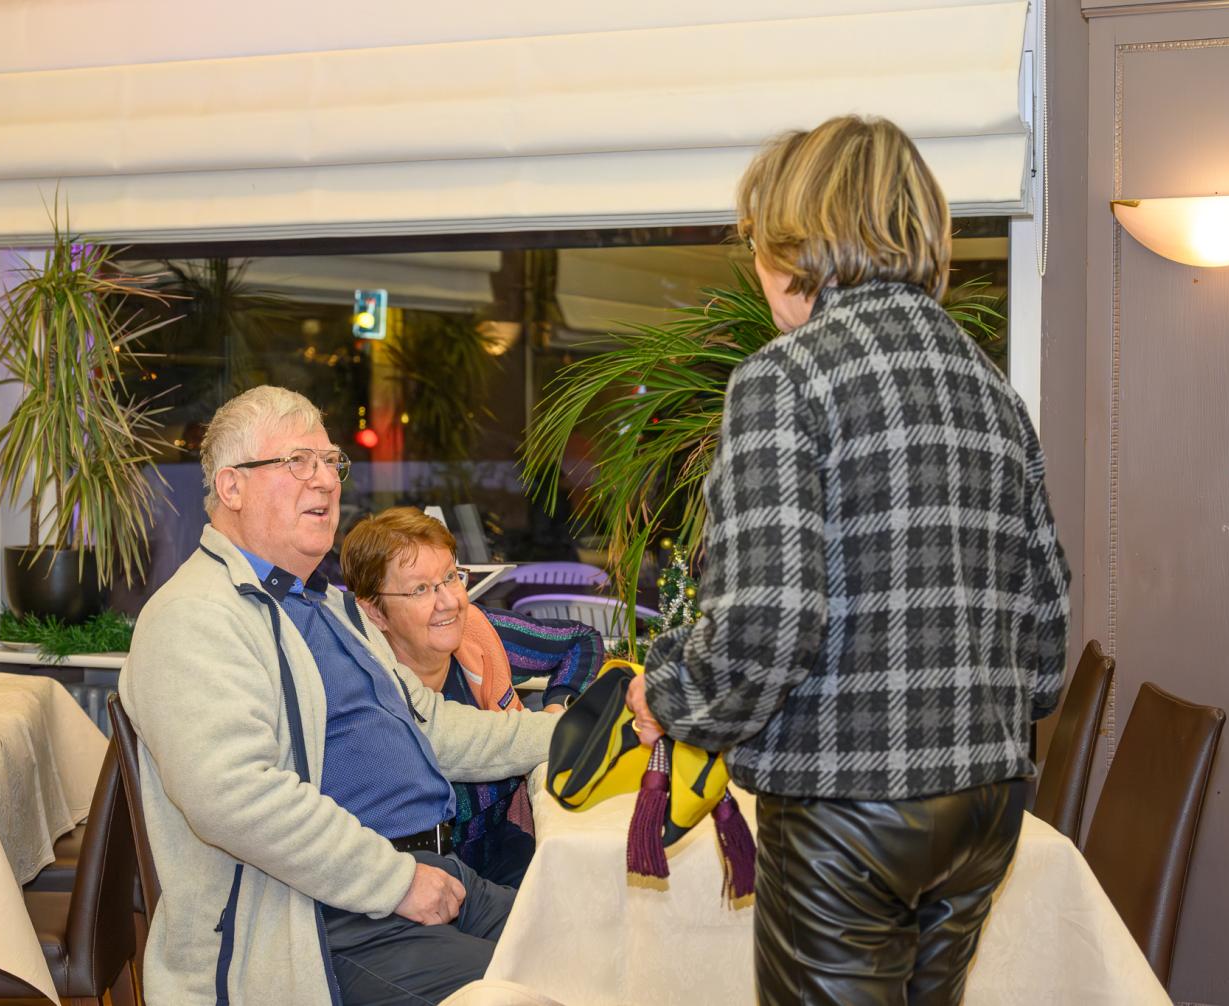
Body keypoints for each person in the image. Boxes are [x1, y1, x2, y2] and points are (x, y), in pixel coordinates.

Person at [625, 115, 1071, 1006]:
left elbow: (765, 630)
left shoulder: (784, 378)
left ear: (798, 243)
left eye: (759, 242)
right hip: (985, 806)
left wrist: (667, 693)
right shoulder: (993, 391)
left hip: (847, 814)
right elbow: (1047, 648)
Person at [119, 386, 559, 1006]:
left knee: (592, 949)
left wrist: (576, 733)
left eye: (330, 462)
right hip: (316, 922)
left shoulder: (327, 607)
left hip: (426, 876)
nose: (326, 480)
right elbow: (235, 795)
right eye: (297, 462)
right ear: (231, 487)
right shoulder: (194, 616)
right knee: (538, 991)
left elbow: (434, 729)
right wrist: (395, 881)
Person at [340, 506, 603, 887]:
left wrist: (556, 707)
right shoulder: (363, 687)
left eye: (450, 577)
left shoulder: (479, 634)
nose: (449, 601)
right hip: (414, 872)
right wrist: (561, 732)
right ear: (375, 614)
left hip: (503, 843)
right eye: (420, 589)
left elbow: (581, 641)